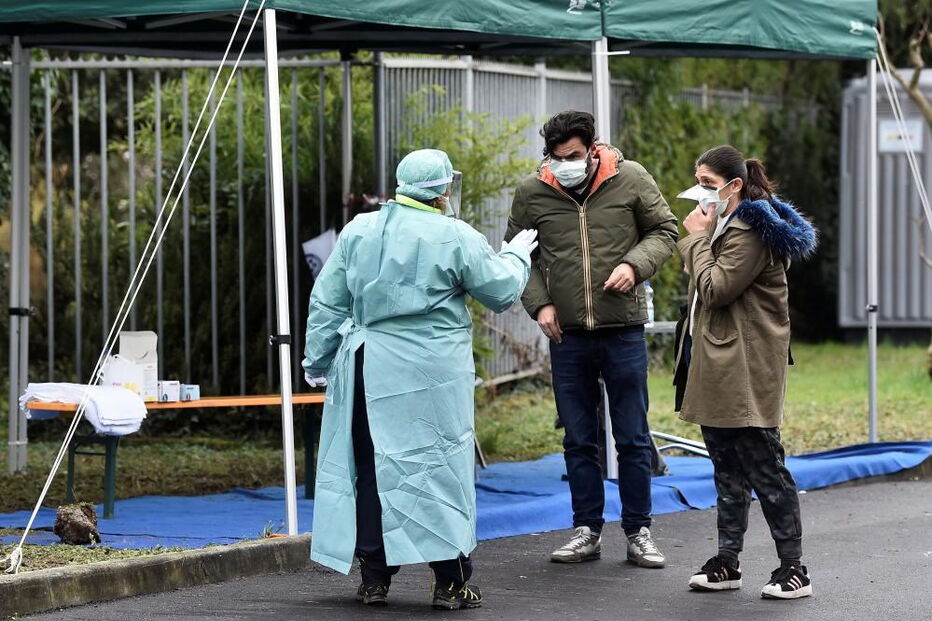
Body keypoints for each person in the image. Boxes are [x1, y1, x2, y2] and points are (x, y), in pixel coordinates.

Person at [303, 148, 537, 610]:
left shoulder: (360, 230)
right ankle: (450, 582)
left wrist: (317, 359)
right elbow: (500, 291)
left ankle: (374, 578)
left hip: (368, 364)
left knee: (371, 467)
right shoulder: (455, 235)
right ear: (443, 190)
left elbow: (327, 301)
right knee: (440, 467)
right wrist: (516, 256)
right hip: (431, 372)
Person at [505, 110, 678, 567]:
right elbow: (516, 256)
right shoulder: (532, 192)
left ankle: (639, 529)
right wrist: (539, 305)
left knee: (632, 435)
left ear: (592, 149)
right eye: (558, 157)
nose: (567, 164)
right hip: (567, 336)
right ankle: (586, 529)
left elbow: (665, 230)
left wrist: (634, 265)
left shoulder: (631, 178)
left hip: (622, 329)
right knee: (579, 438)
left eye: (575, 156)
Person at [674, 145, 817, 599]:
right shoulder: (724, 223)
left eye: (708, 184)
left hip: (747, 366)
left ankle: (795, 569)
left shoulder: (751, 230)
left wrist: (694, 239)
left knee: (764, 467)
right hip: (718, 361)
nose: (700, 192)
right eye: (697, 181)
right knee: (725, 468)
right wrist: (701, 240)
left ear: (734, 186)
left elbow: (715, 288)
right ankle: (727, 561)